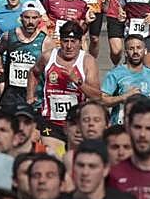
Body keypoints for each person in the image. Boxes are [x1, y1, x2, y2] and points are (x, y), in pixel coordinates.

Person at [27, 21, 101, 149]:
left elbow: (97, 96)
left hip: (76, 124)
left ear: (80, 42)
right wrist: (30, 96)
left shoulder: (87, 61)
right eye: (65, 41)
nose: (69, 46)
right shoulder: (48, 56)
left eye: (73, 42)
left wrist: (77, 81)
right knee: (54, 157)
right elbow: (33, 72)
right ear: (60, 41)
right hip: (51, 122)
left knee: (73, 160)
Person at [99, 35, 150, 125]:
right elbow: (102, 100)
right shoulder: (115, 74)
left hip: (144, 125)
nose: (135, 52)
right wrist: (123, 97)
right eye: (131, 48)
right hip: (120, 127)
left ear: (145, 51)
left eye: (139, 48)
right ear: (126, 53)